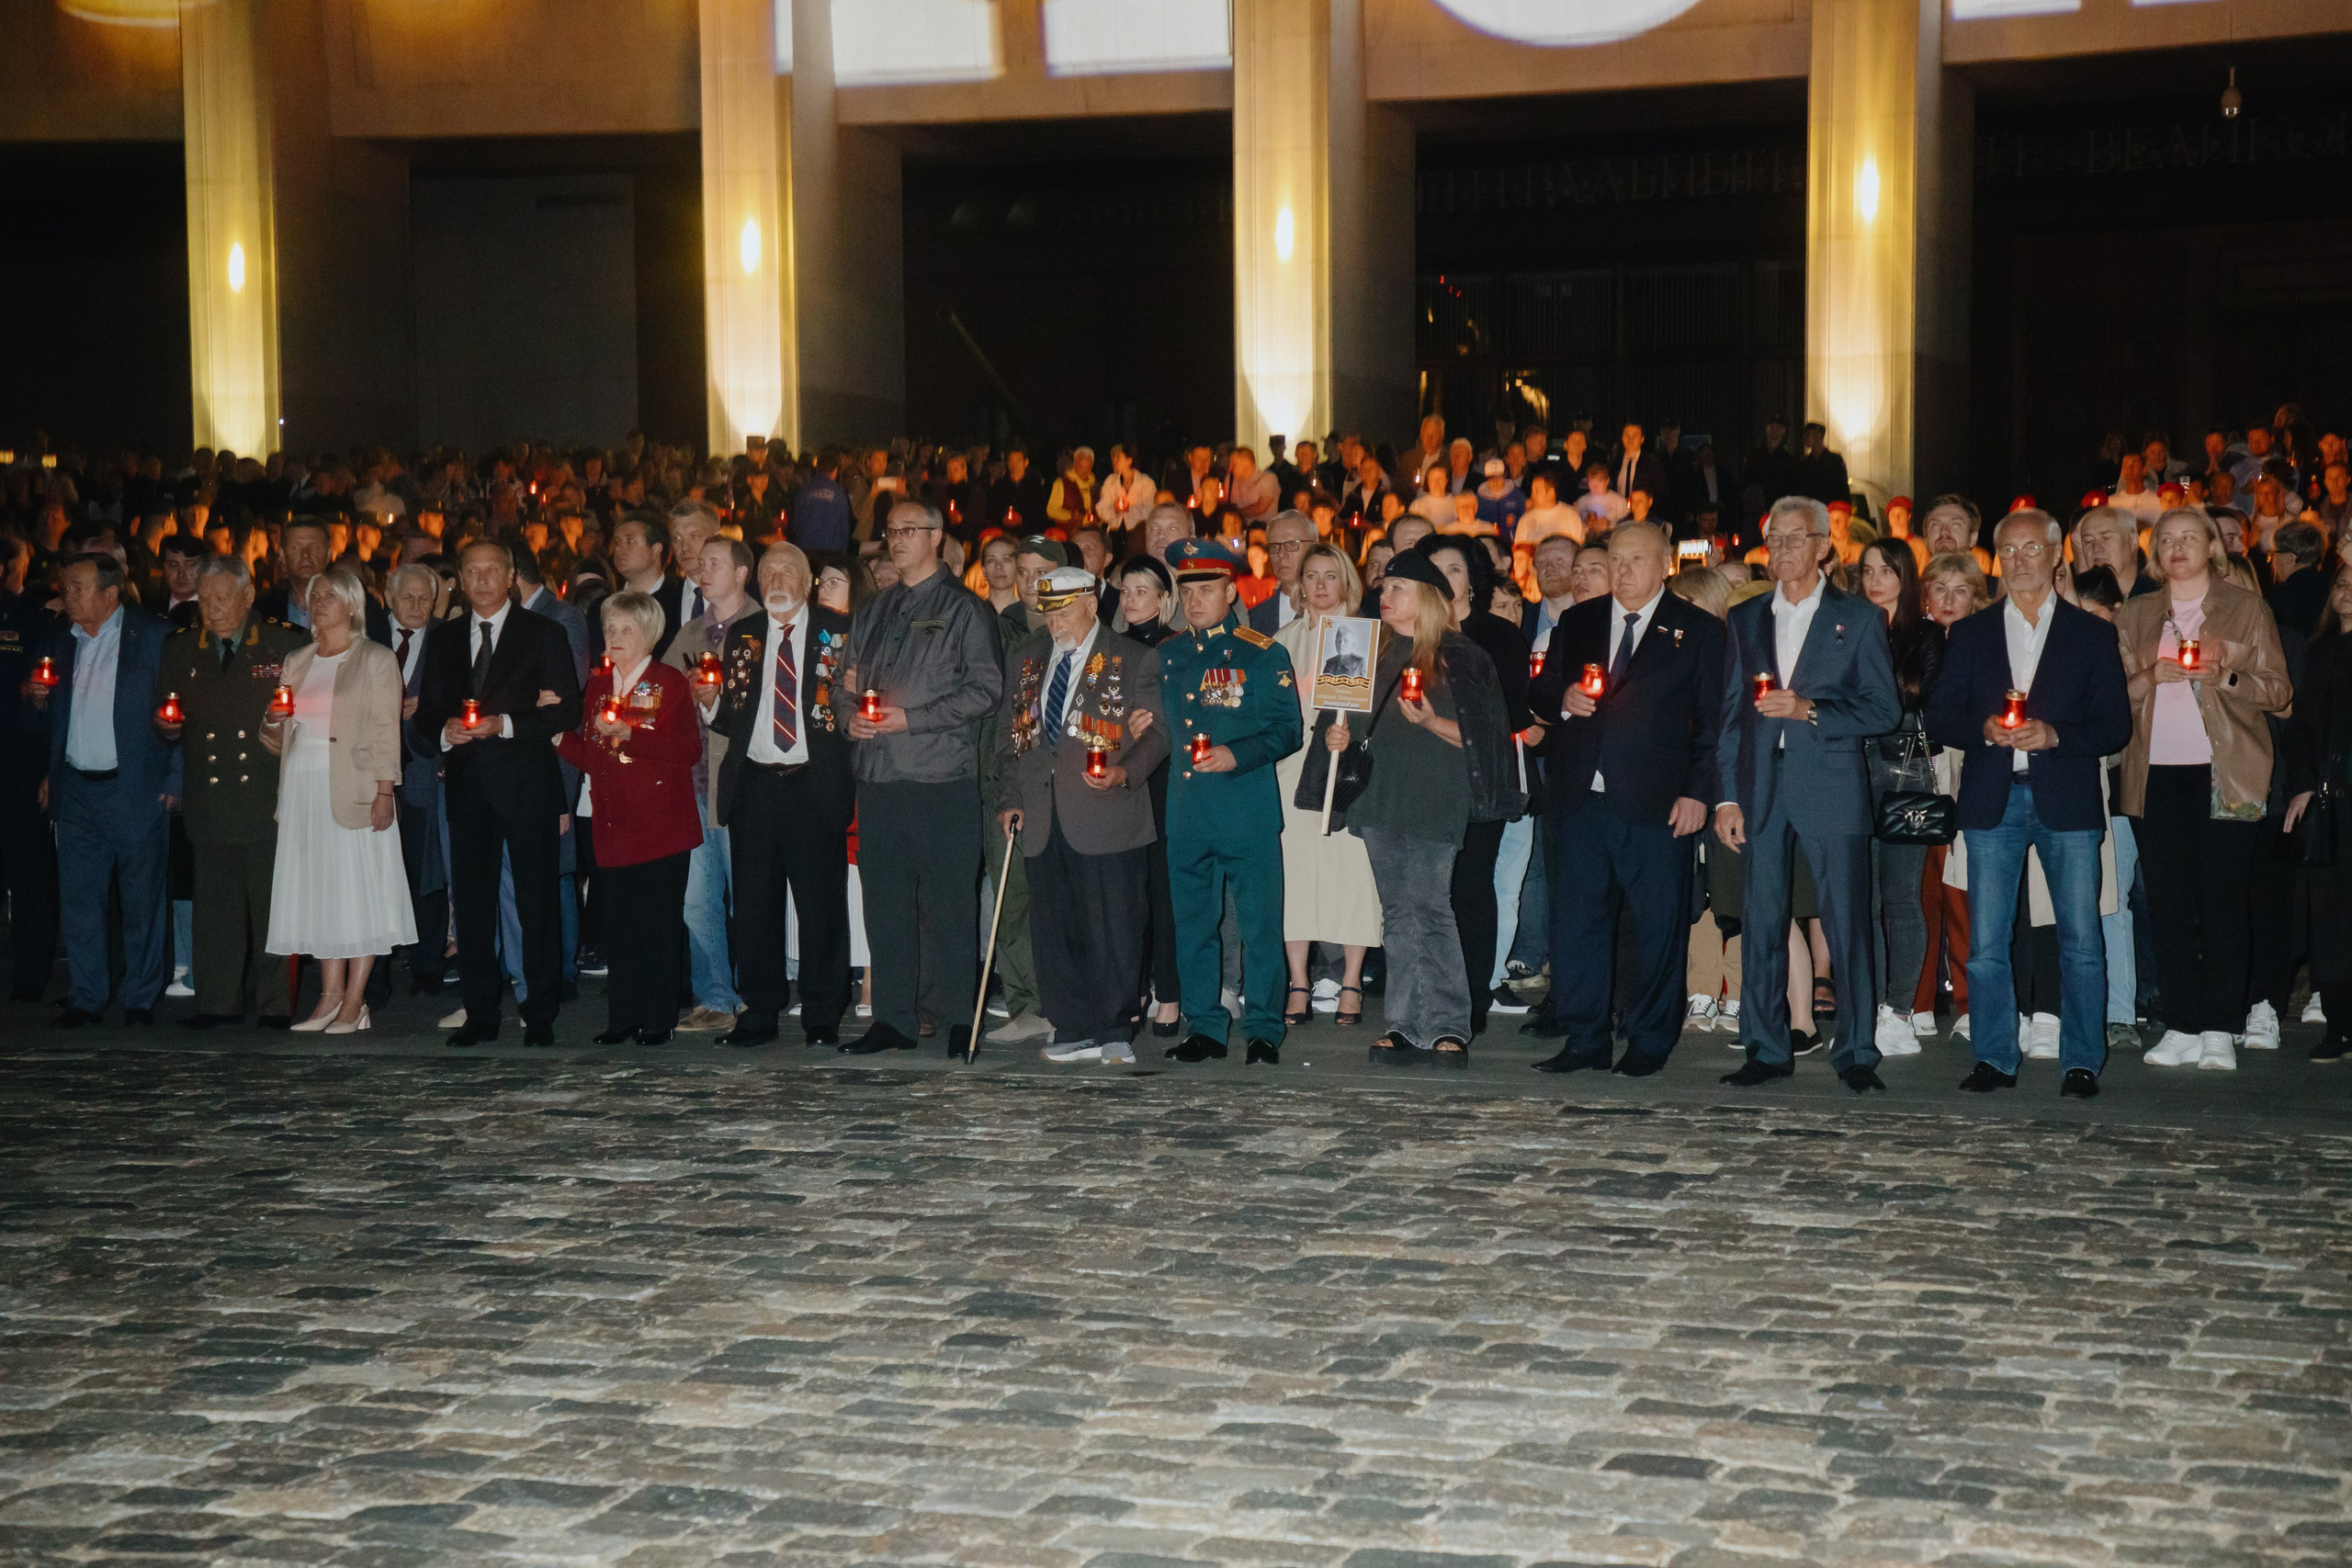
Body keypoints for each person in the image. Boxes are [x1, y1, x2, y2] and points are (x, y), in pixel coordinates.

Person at [1926, 512, 2133, 1099]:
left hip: (2065, 798)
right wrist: (1982, 727)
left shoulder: (2090, 633)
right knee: (1988, 942)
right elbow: (1940, 715)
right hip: (1994, 799)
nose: (2018, 562)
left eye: (2029, 550)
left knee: (2081, 939)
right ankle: (1993, 1056)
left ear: (2055, 554)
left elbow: (2114, 725)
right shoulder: (1971, 633)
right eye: (2007, 552)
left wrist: (2056, 735)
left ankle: (2081, 1061)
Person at [1713, 496, 1902, 1090]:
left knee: (1846, 922)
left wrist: (1810, 709)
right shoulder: (1745, 620)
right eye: (1774, 539)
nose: (1782, 550)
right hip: (1760, 788)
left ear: (1824, 546)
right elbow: (1729, 716)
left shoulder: (1860, 618)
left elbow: (1884, 708)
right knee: (1762, 919)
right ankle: (1766, 1047)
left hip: (1831, 784)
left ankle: (1855, 1053)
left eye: (1796, 539)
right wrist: (1725, 797)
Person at [1526, 521, 1724, 1075]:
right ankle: (1585, 1037)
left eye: (1635, 560)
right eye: (1615, 559)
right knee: (1578, 921)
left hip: (1658, 802)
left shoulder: (1697, 630)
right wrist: (1561, 696)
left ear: (1665, 565)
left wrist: (1697, 794)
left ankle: (1649, 1040)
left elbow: (1713, 723)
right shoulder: (1580, 620)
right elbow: (1537, 689)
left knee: (1658, 925)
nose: (1622, 570)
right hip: (1580, 797)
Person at [2117, 507, 2292, 1071]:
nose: (2177, 547)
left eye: (2190, 537)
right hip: (2155, 774)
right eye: (2166, 539)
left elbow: (2279, 690)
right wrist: (2148, 679)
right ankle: (2182, 1023)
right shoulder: (2137, 613)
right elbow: (2109, 696)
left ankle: (2220, 1025)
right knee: (2166, 903)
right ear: (2154, 553)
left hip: (2228, 772)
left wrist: (2226, 678)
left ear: (2213, 547)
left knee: (2222, 902)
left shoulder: (2245, 608)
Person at [842, 501, 1004, 1058]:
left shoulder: (965, 610)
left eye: (908, 530)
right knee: (883, 906)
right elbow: (844, 684)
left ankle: (962, 1018)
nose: (897, 539)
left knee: (949, 907)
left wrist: (911, 718)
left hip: (939, 780)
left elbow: (986, 691)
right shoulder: (873, 609)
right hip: (878, 778)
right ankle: (893, 1019)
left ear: (937, 537)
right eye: (890, 531)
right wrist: (849, 717)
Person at [1348, 547, 1517, 1067]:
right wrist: (1338, 736)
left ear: (1425, 598)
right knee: (1398, 913)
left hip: (1434, 798)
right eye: (1383, 588)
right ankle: (1404, 1023)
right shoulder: (1370, 651)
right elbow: (1352, 719)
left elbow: (1487, 736)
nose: (1384, 595)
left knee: (1430, 906)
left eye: (1397, 588)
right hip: (1380, 796)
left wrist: (1429, 723)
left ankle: (1448, 1026)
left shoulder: (1459, 654)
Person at [994, 567, 1170, 1064]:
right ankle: (1070, 1022)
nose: (1055, 622)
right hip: (1042, 813)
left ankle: (1114, 1026)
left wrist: (1124, 773)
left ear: (1092, 603)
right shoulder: (1026, 658)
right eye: (1048, 612)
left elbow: (1159, 734)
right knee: (1054, 923)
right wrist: (1011, 797)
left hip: (1106, 812)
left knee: (1114, 923)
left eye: (1066, 610)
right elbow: (1011, 740)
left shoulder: (1132, 657)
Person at [415, 538, 583, 1048]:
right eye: (472, 571)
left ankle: (540, 1014)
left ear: (511, 576)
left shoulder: (544, 633)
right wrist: (446, 732)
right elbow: (424, 720)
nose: (483, 579)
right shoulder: (442, 640)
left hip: (527, 785)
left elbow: (565, 711)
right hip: (466, 788)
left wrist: (505, 723)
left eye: (493, 569)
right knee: (471, 904)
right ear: (460, 581)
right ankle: (480, 1012)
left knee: (536, 903)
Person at [1158, 538, 1303, 1065]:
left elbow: (1289, 730)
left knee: (1261, 927)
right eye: (1187, 589)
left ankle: (1264, 1028)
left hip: (1246, 811)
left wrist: (1236, 754)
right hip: (1188, 812)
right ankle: (1205, 1027)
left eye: (1207, 589)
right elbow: (1162, 728)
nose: (1195, 600)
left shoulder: (1261, 653)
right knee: (1193, 927)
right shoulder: (1169, 655)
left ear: (1229, 590)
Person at [706, 542, 856, 1047]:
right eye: (767, 571)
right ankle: (760, 1010)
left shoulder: (839, 633)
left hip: (814, 784)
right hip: (755, 785)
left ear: (809, 581)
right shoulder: (744, 636)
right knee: (753, 906)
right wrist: (710, 706)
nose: (776, 580)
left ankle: (821, 1013)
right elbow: (738, 715)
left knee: (820, 908)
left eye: (787, 571)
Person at [259, 569, 415, 1032]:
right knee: (322, 890)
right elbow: (278, 738)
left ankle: (355, 1000)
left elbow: (388, 730)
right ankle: (327, 996)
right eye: (315, 596)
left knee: (358, 892)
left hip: (355, 787)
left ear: (352, 604)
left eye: (330, 595)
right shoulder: (297, 659)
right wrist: (271, 720)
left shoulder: (375, 658)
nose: (320, 602)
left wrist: (384, 791)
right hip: (304, 789)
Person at [155, 555, 307, 1029]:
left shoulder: (285, 642)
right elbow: (165, 716)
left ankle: (275, 1003)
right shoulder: (181, 649)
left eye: (223, 598)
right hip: (210, 795)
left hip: (265, 794)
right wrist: (166, 728)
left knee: (270, 906)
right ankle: (216, 1001)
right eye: (205, 599)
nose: (213, 608)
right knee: (214, 907)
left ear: (247, 595)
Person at [28, 552, 180, 1027]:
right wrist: (35, 704)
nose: (66, 595)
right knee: (79, 901)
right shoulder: (60, 643)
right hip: (76, 789)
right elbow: (48, 724)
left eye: (76, 587)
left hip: (134, 788)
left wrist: (175, 779)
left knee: (141, 901)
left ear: (110, 594)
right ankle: (86, 996)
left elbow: (181, 712)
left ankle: (139, 996)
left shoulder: (154, 638)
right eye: (65, 586)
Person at [555, 590, 703, 1045]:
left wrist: (631, 736)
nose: (615, 637)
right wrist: (559, 739)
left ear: (650, 635)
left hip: (661, 828)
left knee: (656, 926)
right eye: (610, 628)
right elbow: (597, 758)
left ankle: (658, 1019)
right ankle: (621, 1017)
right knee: (620, 926)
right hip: (613, 824)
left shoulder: (669, 683)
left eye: (625, 629)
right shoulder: (599, 685)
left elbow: (688, 751)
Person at [1420, 534, 1532, 1036]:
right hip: (1422, 780)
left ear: (1472, 579)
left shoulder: (1499, 636)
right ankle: (1427, 995)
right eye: (1433, 570)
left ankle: (1471, 998)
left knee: (1469, 886)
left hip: (1479, 780)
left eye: (1455, 569)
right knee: (1423, 890)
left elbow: (1504, 716)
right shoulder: (1411, 634)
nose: (1445, 580)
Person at [1275, 544, 1383, 1028]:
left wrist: (1350, 733)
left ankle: (1352, 981)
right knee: (1295, 877)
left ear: (1346, 583)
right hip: (1290, 770)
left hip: (1345, 772)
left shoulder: (1363, 638)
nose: (1320, 586)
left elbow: (1380, 710)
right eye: (1311, 576)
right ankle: (1298, 980)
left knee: (1351, 876)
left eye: (1330, 576)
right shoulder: (1280, 640)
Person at [660, 533, 759, 1033]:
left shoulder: (761, 628)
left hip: (745, 786)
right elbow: (663, 692)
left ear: (742, 572)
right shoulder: (690, 635)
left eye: (714, 562)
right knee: (696, 900)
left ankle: (760, 995)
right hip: (695, 787)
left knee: (751, 898)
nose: (703, 570)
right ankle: (717, 998)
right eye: (700, 564)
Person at [1854, 536, 1943, 1058]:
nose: (1874, 581)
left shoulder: (1926, 636)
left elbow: (1917, 697)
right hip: (1851, 772)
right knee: (1859, 898)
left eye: (1885, 571)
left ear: (1905, 578)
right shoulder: (1846, 629)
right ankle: (1867, 1007)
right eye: (1866, 571)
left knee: (1903, 897)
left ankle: (1899, 1010)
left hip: (1908, 771)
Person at [2285, 569, 2352, 1062]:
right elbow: (2303, 730)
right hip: (2331, 800)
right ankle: (2339, 1023)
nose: (2346, 593)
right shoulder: (2322, 651)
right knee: (2328, 916)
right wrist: (2302, 787)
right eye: (2342, 584)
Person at [386, 562, 449, 996]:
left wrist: (430, 704)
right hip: (374, 774)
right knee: (382, 871)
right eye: (406, 597)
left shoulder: (450, 639)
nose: (415, 606)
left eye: (423, 598)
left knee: (427, 872)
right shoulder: (367, 638)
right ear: (389, 599)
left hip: (428, 772)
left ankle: (428, 965)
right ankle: (379, 965)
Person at [1248, 511, 1317, 635]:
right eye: (1274, 546)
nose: (1281, 554)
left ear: (1314, 547)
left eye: (1292, 544)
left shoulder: (1333, 610)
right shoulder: (1254, 618)